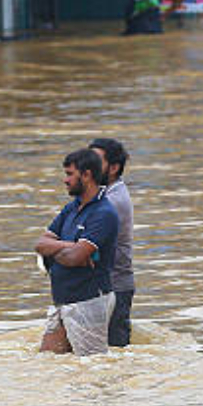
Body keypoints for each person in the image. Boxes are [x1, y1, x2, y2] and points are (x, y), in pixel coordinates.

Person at [34, 149, 119, 356]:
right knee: (47, 360)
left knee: (93, 369)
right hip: (63, 300)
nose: (65, 180)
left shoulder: (103, 213)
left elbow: (74, 259)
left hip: (88, 301)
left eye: (70, 174)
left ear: (87, 175)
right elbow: (40, 244)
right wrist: (70, 245)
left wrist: (64, 250)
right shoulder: (71, 208)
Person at [89, 138, 134, 347]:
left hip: (113, 289)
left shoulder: (112, 201)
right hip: (99, 289)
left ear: (114, 168)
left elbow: (82, 246)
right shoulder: (99, 195)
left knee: (111, 356)